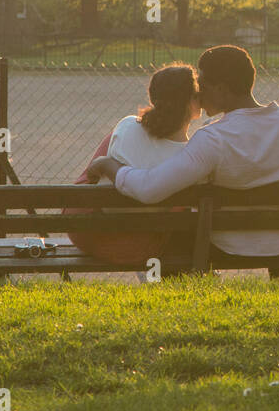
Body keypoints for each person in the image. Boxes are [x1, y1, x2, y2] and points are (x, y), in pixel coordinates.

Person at [85, 45, 279, 257]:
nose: (199, 95)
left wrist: (108, 165)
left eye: (202, 86)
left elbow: (148, 190)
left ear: (222, 90)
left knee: (178, 230)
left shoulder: (212, 140)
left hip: (229, 243)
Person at [68, 63, 201, 265]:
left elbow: (91, 177)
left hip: (92, 236)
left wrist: (105, 164)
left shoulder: (128, 125)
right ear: (192, 102)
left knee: (111, 147)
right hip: (143, 246)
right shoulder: (192, 154)